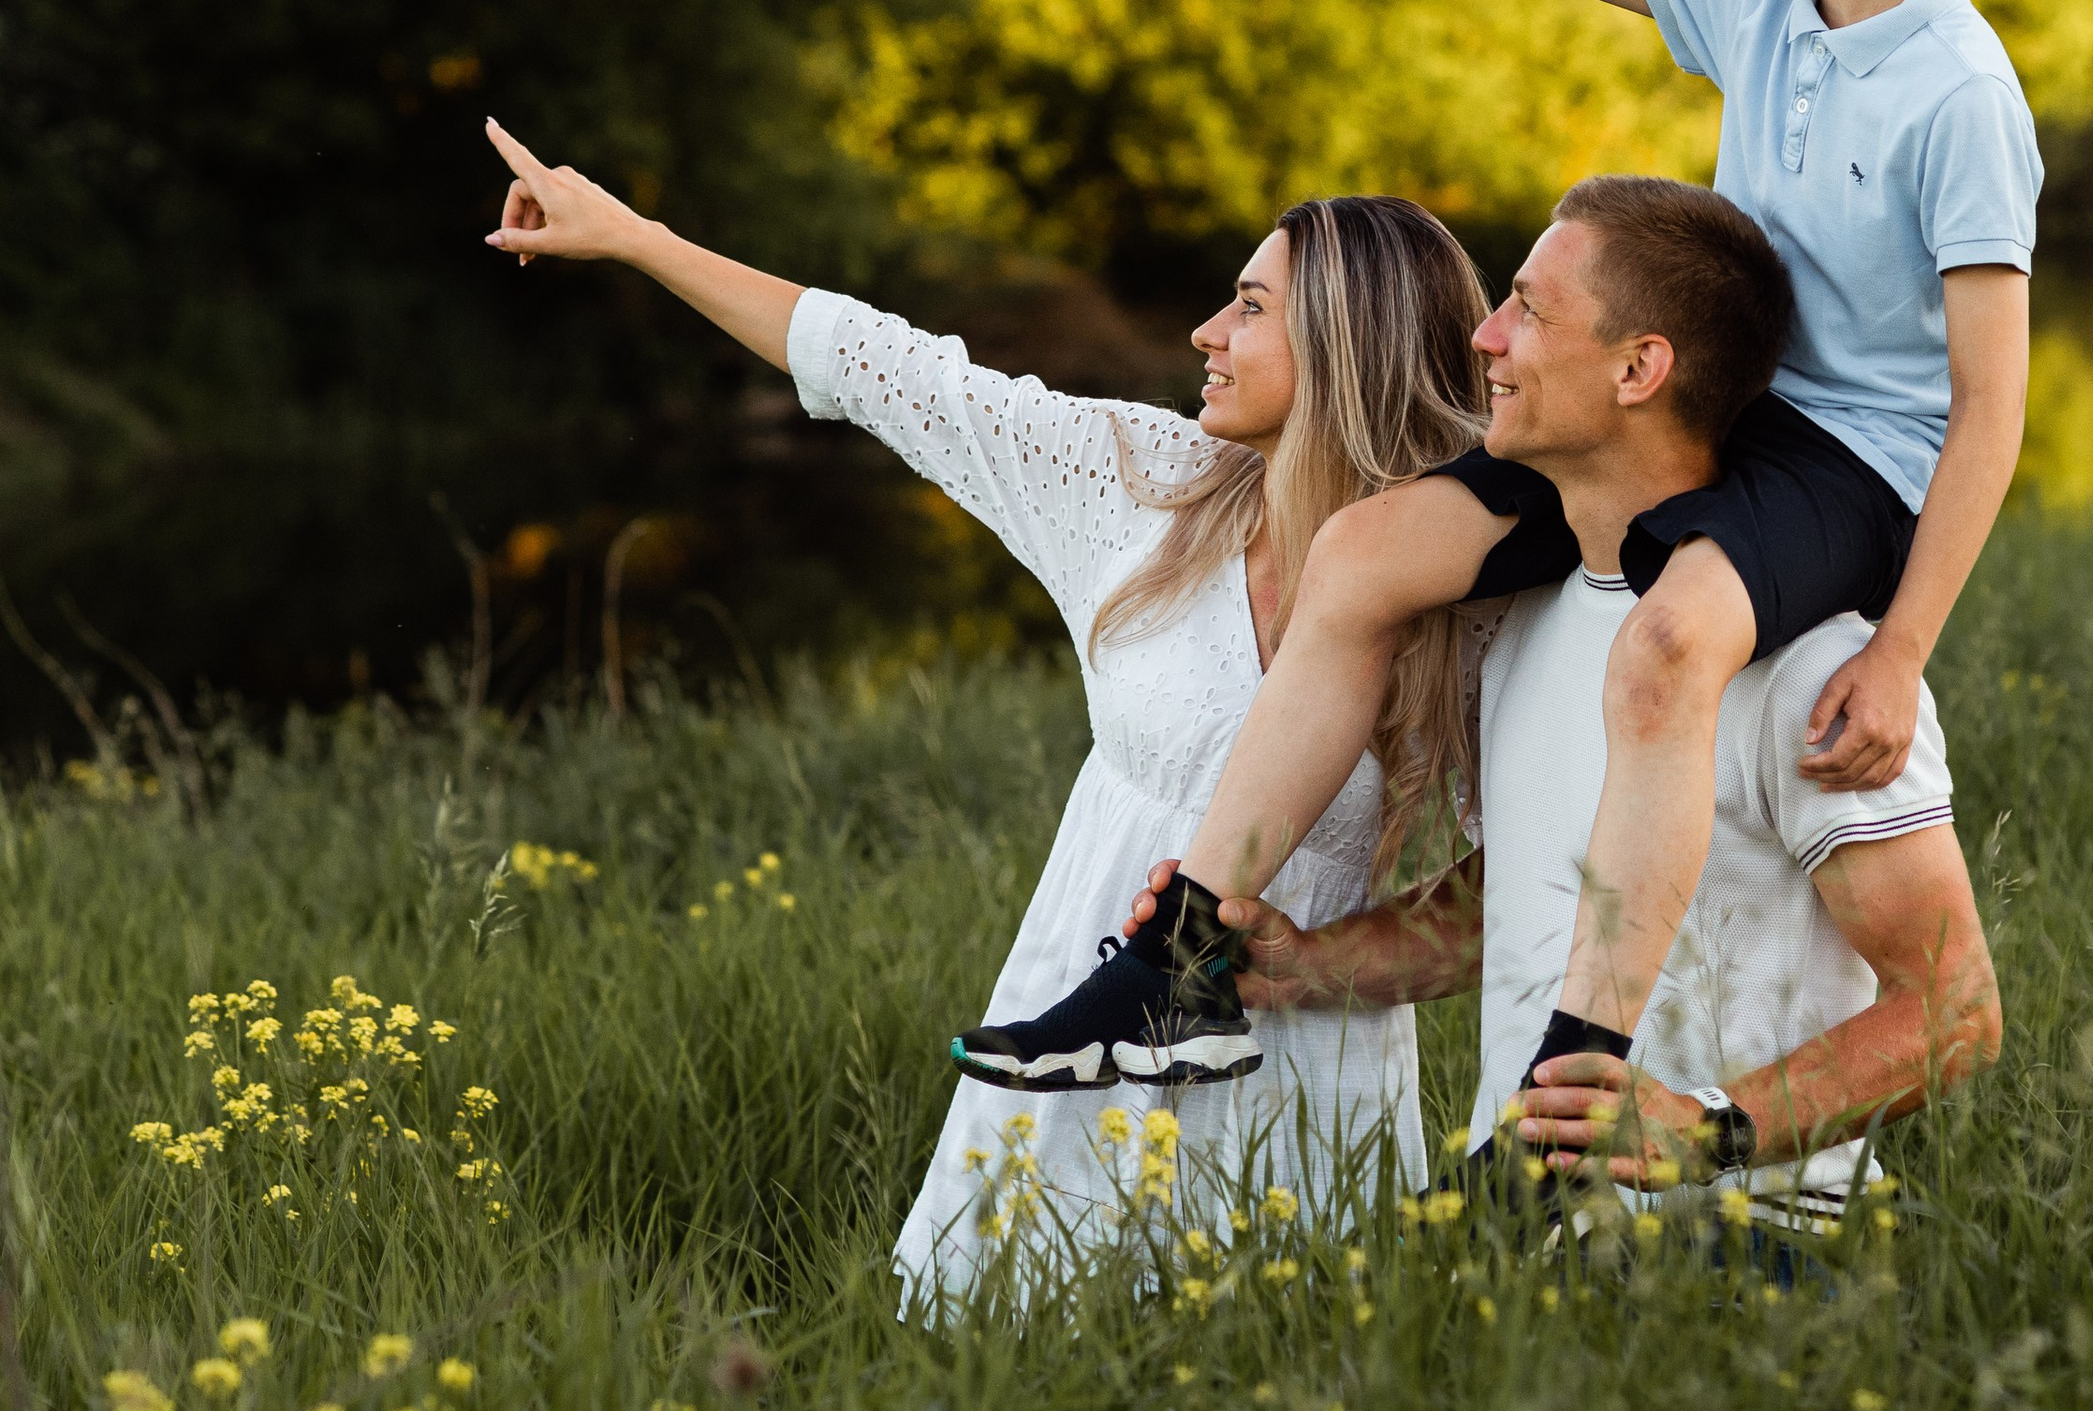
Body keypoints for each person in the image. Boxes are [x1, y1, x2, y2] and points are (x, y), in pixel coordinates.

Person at [960, 0, 2036, 1119]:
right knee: (1368, 549)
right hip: (1730, 409)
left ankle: (1566, 1079)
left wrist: (1901, 650)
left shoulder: (1964, 96)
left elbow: (1989, 407)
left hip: (1849, 465)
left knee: (1666, 647)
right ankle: (1179, 956)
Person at [478, 122, 1489, 1300]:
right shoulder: (1139, 484)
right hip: (1080, 1000)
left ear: (1349, 349)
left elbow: (1523, 876)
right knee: (1017, 1351)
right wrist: (640, 241)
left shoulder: (1457, 594)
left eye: (1252, 308)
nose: (1207, 333)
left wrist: (1318, 965)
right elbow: (889, 369)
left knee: (1266, 1382)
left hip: (1301, 1056)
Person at [1126, 177, 2002, 1235]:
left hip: (1747, 1252)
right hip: (1531, 1251)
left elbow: (1952, 1007)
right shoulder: (1526, 621)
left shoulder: (1809, 666)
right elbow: (1513, 897)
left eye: (1529, 311)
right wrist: (1306, 965)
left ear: (1639, 368)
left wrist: (1704, 1128)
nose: (1486, 339)